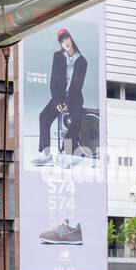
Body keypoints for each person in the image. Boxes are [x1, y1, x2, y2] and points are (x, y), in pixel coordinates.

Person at [32, 27, 88, 166]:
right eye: (62, 41)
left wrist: (67, 104)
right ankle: (46, 156)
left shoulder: (82, 61)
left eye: (66, 38)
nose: (65, 43)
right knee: (43, 117)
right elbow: (53, 82)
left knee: (76, 119)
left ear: (71, 38)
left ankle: (64, 154)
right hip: (59, 98)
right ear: (61, 44)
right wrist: (57, 101)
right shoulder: (57, 56)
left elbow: (77, 86)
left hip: (74, 99)